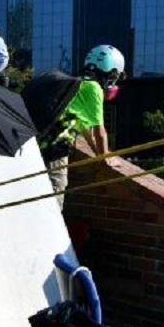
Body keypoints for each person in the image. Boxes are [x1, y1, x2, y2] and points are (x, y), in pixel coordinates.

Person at [46, 45, 125, 207]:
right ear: (112, 72)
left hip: (42, 145)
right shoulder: (93, 88)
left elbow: (85, 128)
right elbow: (99, 131)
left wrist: (99, 154)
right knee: (55, 195)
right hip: (55, 148)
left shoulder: (77, 82)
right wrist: (105, 158)